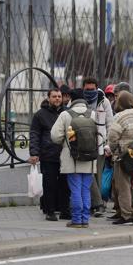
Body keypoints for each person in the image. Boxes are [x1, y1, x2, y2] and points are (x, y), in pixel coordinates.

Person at [51, 89, 97, 228]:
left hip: (72, 158)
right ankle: (85, 219)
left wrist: (66, 141)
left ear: (71, 100)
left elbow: (55, 136)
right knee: (85, 189)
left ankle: (76, 220)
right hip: (89, 158)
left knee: (75, 189)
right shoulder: (93, 114)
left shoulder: (65, 114)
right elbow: (101, 134)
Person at [107, 82, 133, 221]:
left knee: (123, 185)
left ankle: (126, 214)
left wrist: (113, 150)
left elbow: (113, 136)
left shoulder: (119, 116)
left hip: (123, 156)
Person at [29, 88, 70, 221]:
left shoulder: (66, 113)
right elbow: (34, 134)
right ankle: (50, 211)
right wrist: (34, 153)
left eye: (59, 96)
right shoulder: (40, 114)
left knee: (65, 185)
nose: (57, 99)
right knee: (49, 184)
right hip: (48, 155)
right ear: (48, 98)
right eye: (54, 96)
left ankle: (64, 210)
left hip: (64, 155)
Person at [82, 77, 114, 217]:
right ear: (83, 88)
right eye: (87, 89)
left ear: (97, 88)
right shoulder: (80, 101)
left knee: (98, 176)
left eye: (92, 89)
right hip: (84, 144)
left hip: (100, 145)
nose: (89, 92)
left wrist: (108, 145)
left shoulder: (104, 101)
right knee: (88, 174)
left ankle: (98, 204)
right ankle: (95, 203)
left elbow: (110, 124)